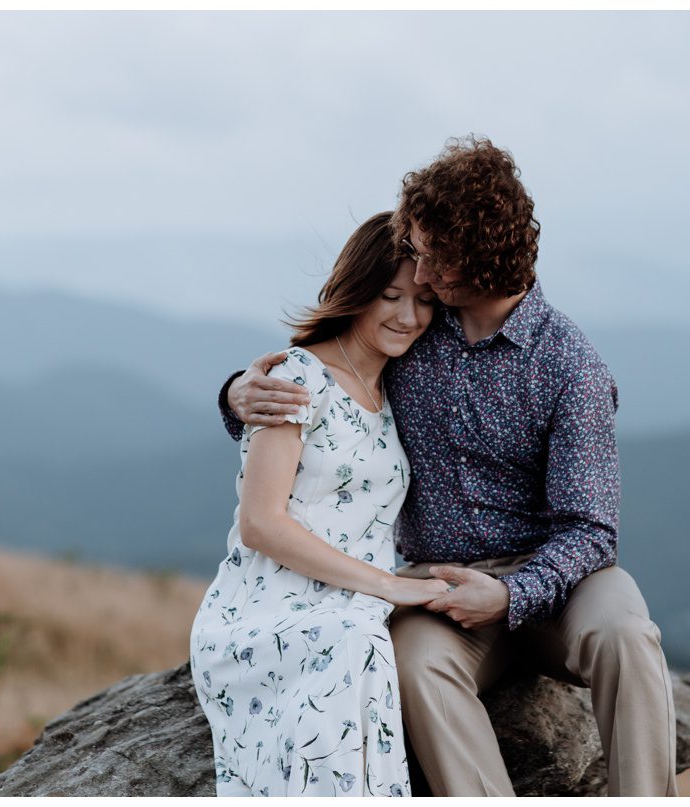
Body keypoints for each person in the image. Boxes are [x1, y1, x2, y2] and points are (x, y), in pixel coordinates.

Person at [218, 136, 678, 797]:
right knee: (413, 664)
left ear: (473, 267)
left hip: (560, 584)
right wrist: (238, 393)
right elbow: (328, 376)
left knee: (628, 636)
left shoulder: (571, 368)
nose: (419, 275)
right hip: (438, 591)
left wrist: (514, 595)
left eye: (432, 261)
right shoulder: (416, 326)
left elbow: (592, 530)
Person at [190, 212, 448, 797]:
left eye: (425, 300)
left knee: (362, 638)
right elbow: (259, 523)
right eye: (391, 296)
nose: (409, 316)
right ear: (357, 288)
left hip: (351, 602)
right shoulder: (298, 377)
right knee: (354, 642)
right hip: (267, 608)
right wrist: (390, 586)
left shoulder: (400, 384)